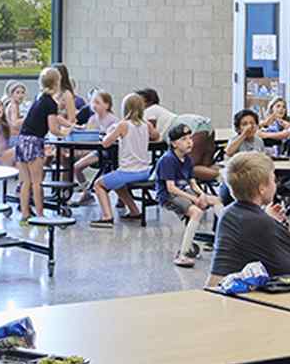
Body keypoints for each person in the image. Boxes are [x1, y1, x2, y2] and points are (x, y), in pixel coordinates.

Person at [206, 151, 290, 286]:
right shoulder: (262, 223)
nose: (276, 185)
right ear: (262, 188)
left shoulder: (229, 213)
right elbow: (289, 271)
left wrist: (268, 219)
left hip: (220, 285)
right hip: (242, 294)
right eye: (273, 180)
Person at [156, 123, 222, 268]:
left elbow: (193, 183)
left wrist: (202, 194)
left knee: (216, 200)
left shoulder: (187, 159)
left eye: (190, 138)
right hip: (168, 196)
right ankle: (182, 254)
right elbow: (171, 188)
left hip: (185, 191)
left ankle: (222, 239)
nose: (189, 142)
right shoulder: (168, 159)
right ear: (174, 143)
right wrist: (194, 199)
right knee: (196, 212)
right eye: (184, 139)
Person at [14, 67, 72, 221]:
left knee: (25, 181)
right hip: (34, 141)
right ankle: (40, 215)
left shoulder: (39, 99)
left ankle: (25, 214)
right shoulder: (51, 102)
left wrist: (66, 123)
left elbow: (53, 117)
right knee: (37, 182)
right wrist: (64, 133)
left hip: (21, 140)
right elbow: (53, 127)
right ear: (57, 83)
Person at [91, 92, 154, 227]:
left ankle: (107, 216)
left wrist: (107, 136)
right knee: (118, 185)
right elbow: (157, 136)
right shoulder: (146, 125)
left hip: (128, 171)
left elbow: (106, 143)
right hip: (145, 171)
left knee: (98, 184)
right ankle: (134, 211)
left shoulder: (123, 125)